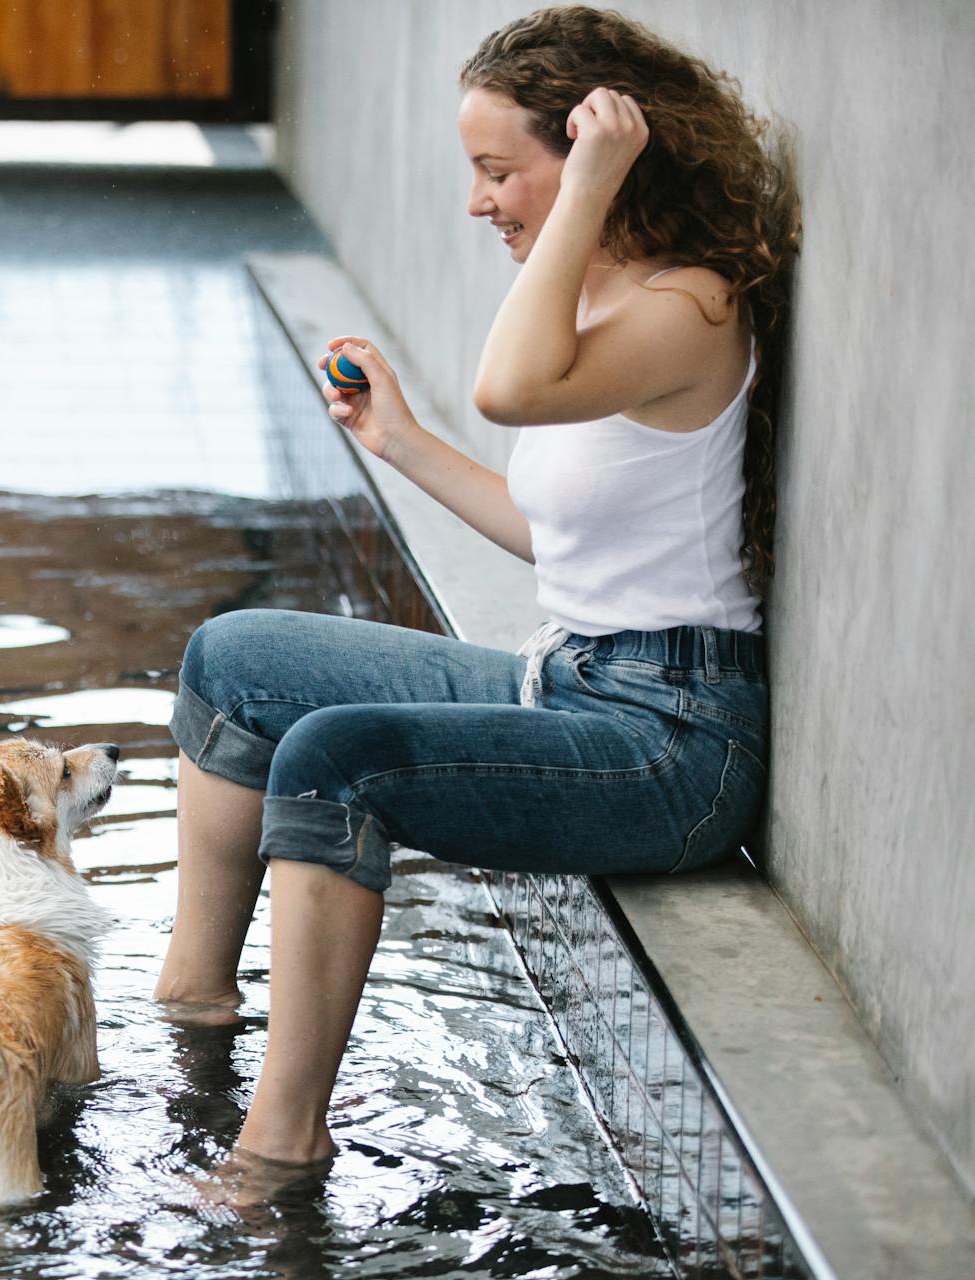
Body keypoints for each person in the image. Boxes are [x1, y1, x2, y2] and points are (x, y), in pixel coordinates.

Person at [154, 5, 800, 1201]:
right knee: (233, 658)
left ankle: (280, 1143)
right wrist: (398, 442)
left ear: (597, 152)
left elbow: (509, 385)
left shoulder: (688, 306)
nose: (479, 202)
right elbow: (553, 531)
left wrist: (595, 181)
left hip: (671, 741)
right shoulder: (608, 311)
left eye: (500, 170)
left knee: (335, 759)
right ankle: (191, 1009)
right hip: (576, 677)